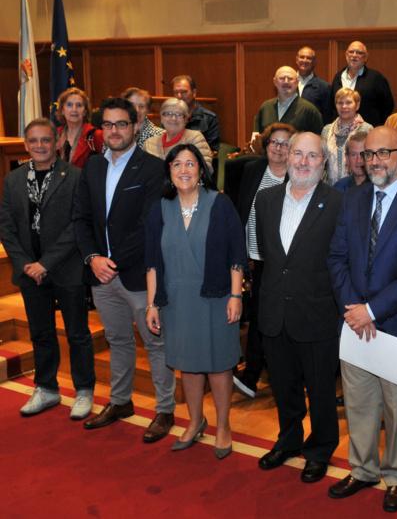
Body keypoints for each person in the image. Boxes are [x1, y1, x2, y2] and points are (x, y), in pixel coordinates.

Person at [327, 126, 397, 513]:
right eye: (368, 154)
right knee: (359, 405)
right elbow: (336, 258)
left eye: (383, 153)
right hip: (355, 324)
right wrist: (354, 309)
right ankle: (362, 470)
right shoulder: (352, 199)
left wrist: (371, 311)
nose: (374, 161)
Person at [73, 97, 176, 442]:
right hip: (100, 274)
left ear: (135, 126)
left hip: (138, 274)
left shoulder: (152, 168)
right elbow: (80, 218)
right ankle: (120, 402)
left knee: (155, 343)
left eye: (121, 124)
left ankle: (165, 410)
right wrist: (93, 258)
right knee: (117, 340)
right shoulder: (92, 167)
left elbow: (150, 224)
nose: (114, 131)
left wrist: (111, 261)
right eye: (108, 124)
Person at [144, 143, 245, 459]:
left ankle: (223, 426)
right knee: (187, 365)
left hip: (216, 298)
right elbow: (151, 262)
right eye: (177, 164)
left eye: (190, 163)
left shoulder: (220, 204)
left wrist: (236, 295)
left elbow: (236, 254)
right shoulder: (160, 208)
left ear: (201, 170)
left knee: (218, 365)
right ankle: (195, 421)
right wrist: (151, 304)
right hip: (176, 301)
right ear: (169, 172)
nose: (184, 170)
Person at [254, 132, 343, 483]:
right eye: (298, 154)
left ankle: (320, 449)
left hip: (317, 313)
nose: (303, 162)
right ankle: (288, 439)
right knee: (283, 385)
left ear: (324, 162)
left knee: (320, 391)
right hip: (275, 311)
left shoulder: (337, 203)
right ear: (287, 156)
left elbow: (342, 260)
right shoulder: (265, 200)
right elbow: (269, 256)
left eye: (312, 156)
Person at [0, 118, 95, 419]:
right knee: (40, 333)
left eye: (45, 140)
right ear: (26, 145)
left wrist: (46, 263)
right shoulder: (13, 179)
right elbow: (6, 227)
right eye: (33, 141)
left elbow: (77, 225)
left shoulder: (75, 176)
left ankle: (84, 390)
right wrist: (25, 264)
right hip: (30, 271)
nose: (40, 146)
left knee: (77, 333)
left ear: (56, 142)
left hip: (66, 268)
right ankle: (46, 388)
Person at [232, 123, 296, 398]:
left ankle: (253, 375)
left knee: (263, 317)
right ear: (266, 145)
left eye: (285, 144)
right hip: (248, 258)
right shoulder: (251, 170)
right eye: (274, 142)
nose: (278, 148)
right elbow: (238, 210)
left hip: (277, 263)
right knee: (253, 316)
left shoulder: (297, 176)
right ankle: (251, 372)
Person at [329, 41, 394, 126]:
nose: (354, 55)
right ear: (346, 55)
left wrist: (375, 125)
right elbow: (332, 105)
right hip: (341, 129)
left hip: (368, 130)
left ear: (365, 57)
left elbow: (388, 106)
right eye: (351, 52)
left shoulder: (376, 78)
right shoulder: (338, 77)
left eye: (359, 53)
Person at [143, 98, 213, 176]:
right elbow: (143, 171)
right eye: (168, 114)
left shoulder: (195, 138)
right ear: (161, 118)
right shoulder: (149, 143)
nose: (173, 118)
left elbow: (206, 168)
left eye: (179, 114)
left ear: (186, 119)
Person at [252, 66, 324, 138]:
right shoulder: (265, 108)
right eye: (282, 78)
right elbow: (257, 139)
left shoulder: (309, 110)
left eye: (290, 79)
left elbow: (318, 140)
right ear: (275, 82)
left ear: (297, 82)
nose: (286, 82)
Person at [321, 88, 372, 184]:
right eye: (340, 103)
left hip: (359, 186)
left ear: (357, 105)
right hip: (330, 187)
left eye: (348, 102)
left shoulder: (367, 129)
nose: (344, 106)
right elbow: (321, 161)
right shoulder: (326, 130)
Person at [55, 87, 103, 169]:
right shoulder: (54, 135)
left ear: (85, 112)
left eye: (79, 105)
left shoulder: (96, 135)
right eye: (69, 105)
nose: (74, 109)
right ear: (62, 110)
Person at [172, 74, 220, 151]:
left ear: (194, 93)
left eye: (183, 92)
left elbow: (213, 151)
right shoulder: (169, 117)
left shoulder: (209, 118)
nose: (179, 96)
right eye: (175, 92)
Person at [296, 46, 331, 118]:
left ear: (314, 62)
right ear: (297, 60)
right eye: (302, 57)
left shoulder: (324, 87)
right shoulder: (287, 83)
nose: (305, 60)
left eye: (308, 58)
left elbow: (327, 116)